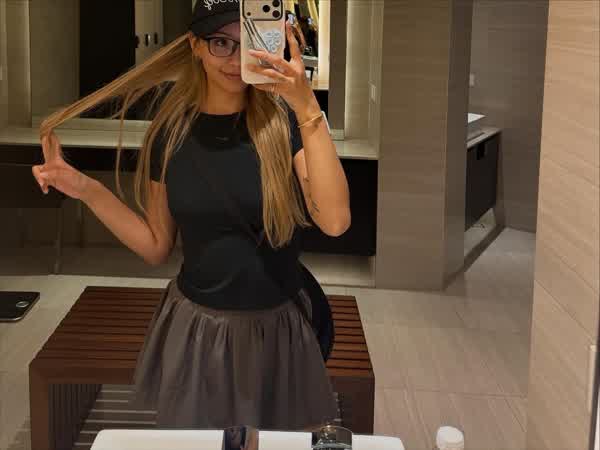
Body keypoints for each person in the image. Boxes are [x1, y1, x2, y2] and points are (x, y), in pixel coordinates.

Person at [31, 0, 350, 431]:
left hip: (276, 328)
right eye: (221, 43)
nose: (235, 59)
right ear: (196, 46)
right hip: (198, 329)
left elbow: (335, 221)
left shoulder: (284, 125)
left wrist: (306, 107)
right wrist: (85, 188)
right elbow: (155, 245)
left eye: (247, 42)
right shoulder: (170, 133)